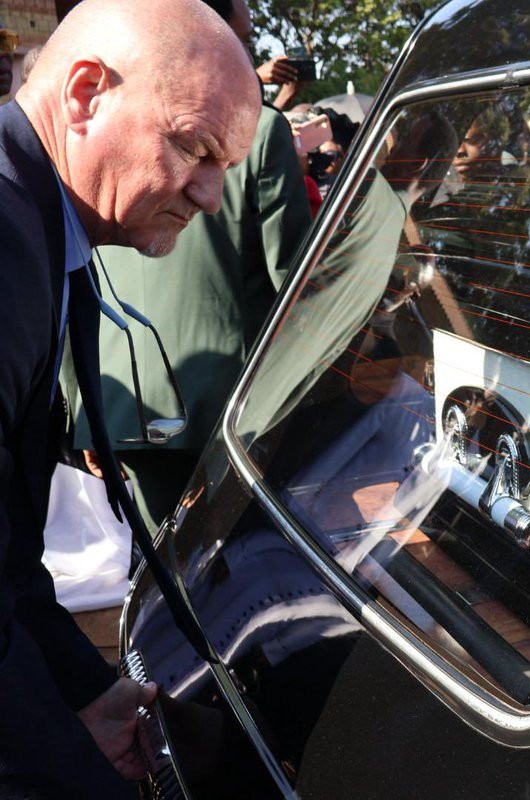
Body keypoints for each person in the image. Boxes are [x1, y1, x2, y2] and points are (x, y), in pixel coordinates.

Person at [0, 0, 260, 795]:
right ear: (86, 94)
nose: (211, 195)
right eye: (193, 147)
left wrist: (86, 692)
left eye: (226, 165)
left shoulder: (37, 221)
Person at [67, 0, 312, 533]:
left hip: (118, 403)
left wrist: (84, 405)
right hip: (232, 414)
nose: (249, 53)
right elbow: (295, 284)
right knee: (241, 566)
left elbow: (76, 272)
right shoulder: (262, 131)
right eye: (240, 37)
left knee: (157, 559)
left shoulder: (107, 126)